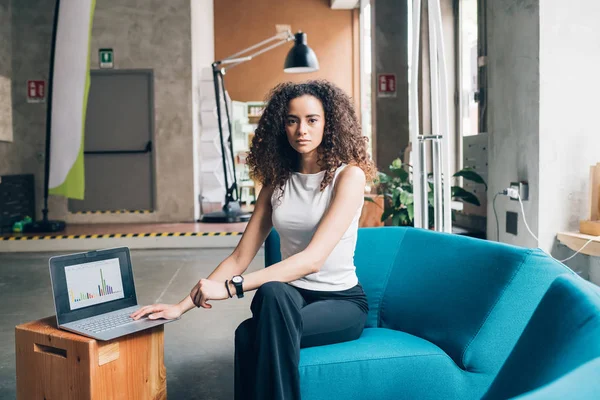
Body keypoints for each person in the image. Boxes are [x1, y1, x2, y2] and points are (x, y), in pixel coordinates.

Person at [131, 80, 377, 400]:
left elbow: (312, 259)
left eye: (312, 120)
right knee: (273, 293)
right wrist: (180, 308)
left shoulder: (349, 176)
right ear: (281, 126)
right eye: (292, 120)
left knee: (249, 334)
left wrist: (232, 287)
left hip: (340, 303)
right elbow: (239, 256)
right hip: (288, 298)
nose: (301, 129)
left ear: (329, 123)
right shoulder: (277, 181)